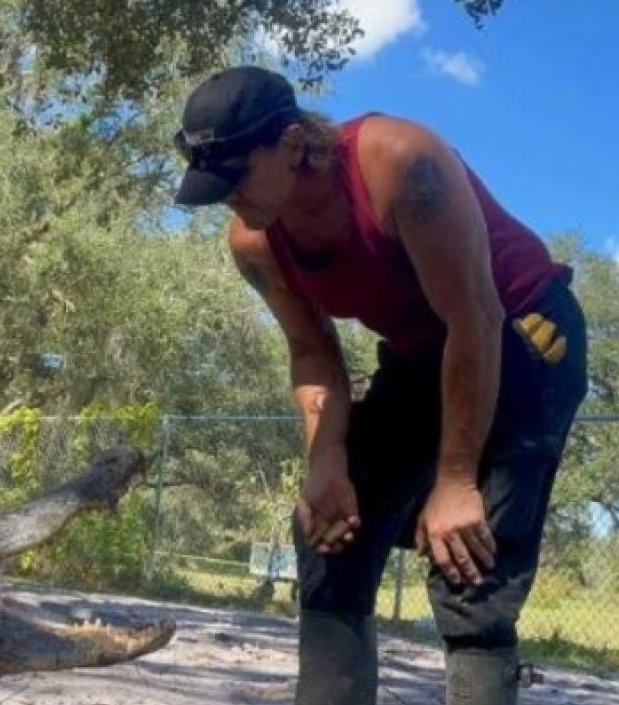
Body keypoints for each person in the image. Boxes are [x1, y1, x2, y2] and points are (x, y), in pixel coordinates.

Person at [170, 65, 588, 705]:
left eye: (236, 177)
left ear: (291, 142)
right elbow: (311, 351)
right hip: (424, 356)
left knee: (468, 563)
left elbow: (475, 318)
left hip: (522, 337)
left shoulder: (399, 161)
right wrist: (326, 460)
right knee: (330, 529)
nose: (227, 197)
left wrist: (455, 481)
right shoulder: (252, 239)